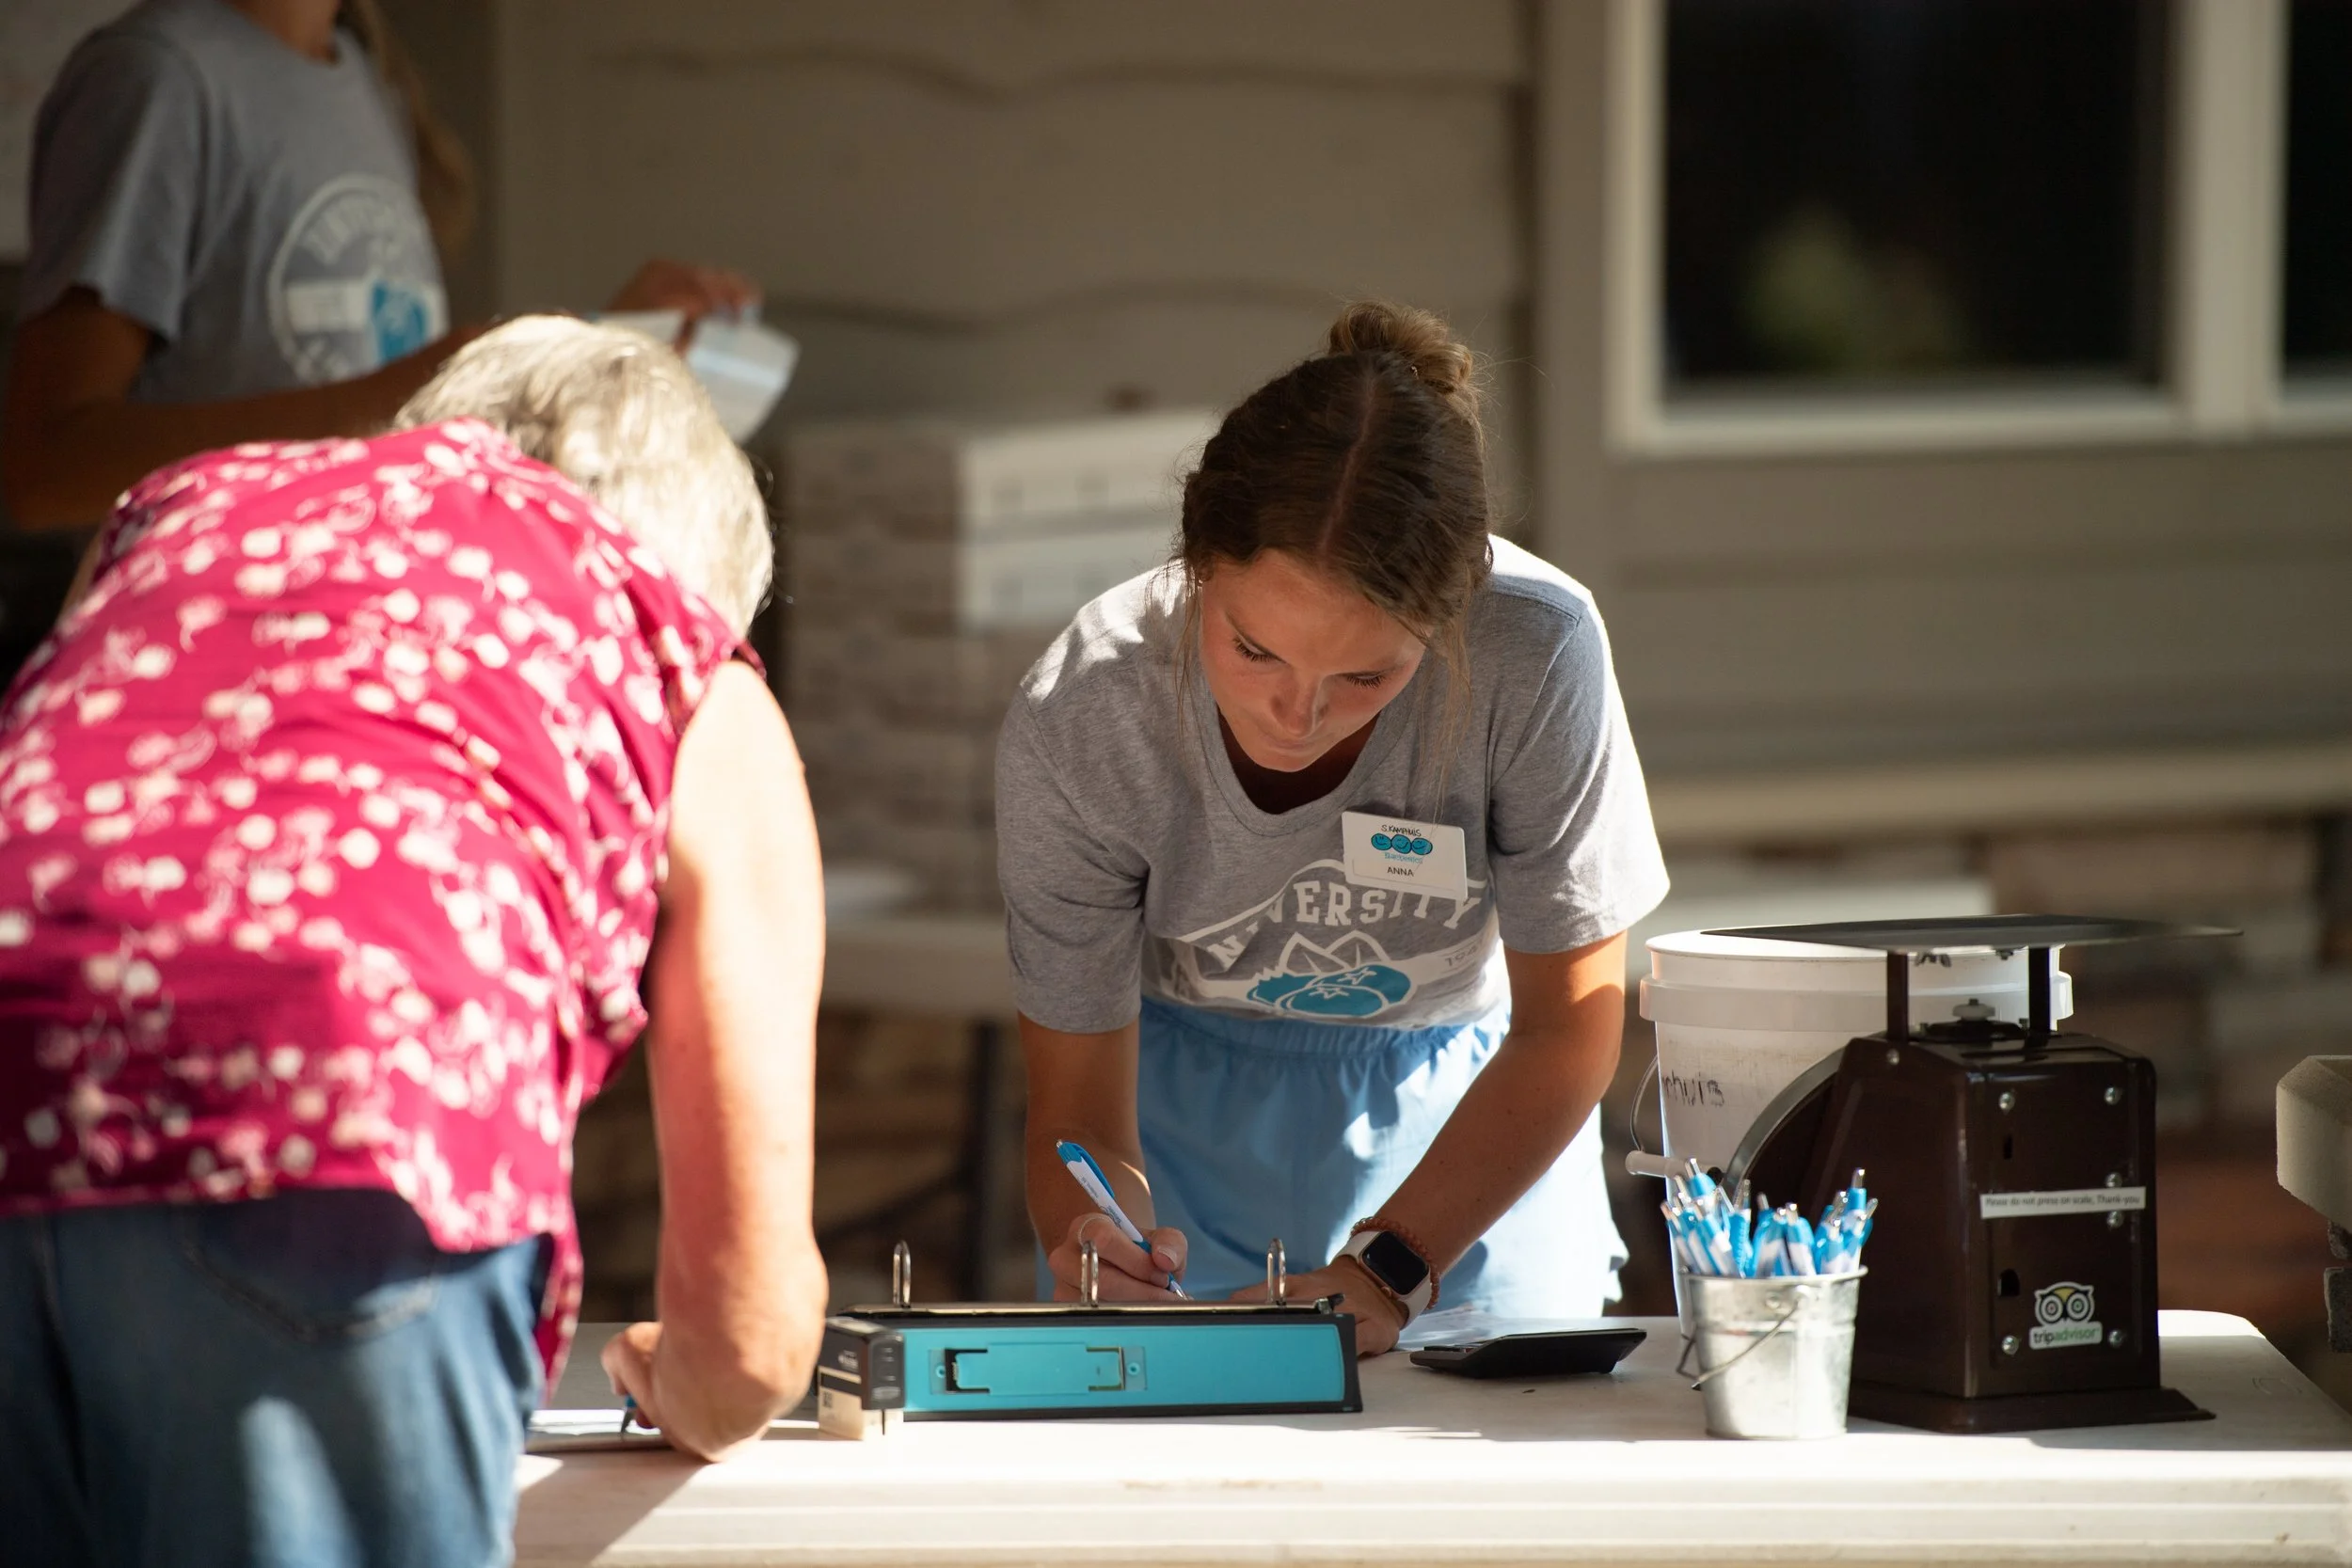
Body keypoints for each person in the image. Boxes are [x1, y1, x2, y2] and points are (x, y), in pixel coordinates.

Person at [0, 316, 829, 1568]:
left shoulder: (181, 510)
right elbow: (754, 1335)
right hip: (331, 1106)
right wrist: (677, 1373)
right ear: (704, 572)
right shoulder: (680, 646)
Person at [998, 302, 1670, 1354]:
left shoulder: (1537, 650)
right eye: (1252, 649)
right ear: (1193, 562)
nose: (1296, 715)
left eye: (1367, 674)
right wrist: (1094, 1235)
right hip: (1180, 1111)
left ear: (1454, 623)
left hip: (1481, 1108)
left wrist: (1392, 1263)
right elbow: (1078, 1099)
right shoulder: (1091, 702)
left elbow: (1571, 1025)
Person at [0, 0, 755, 670]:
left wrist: (592, 343)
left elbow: (355, 375)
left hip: (348, 655)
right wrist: (401, 394)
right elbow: (46, 469)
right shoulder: (155, 77)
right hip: (203, 669)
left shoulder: (361, 81)